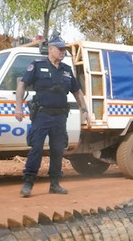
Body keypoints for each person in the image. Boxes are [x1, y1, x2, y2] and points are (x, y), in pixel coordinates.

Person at [14, 35, 92, 197]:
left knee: (57, 150)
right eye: (59, 49)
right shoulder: (37, 65)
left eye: (64, 49)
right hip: (42, 114)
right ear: (50, 49)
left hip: (60, 116)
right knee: (36, 148)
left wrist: (84, 111)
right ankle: (28, 183)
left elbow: (77, 92)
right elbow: (22, 84)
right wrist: (18, 107)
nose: (62, 52)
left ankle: (55, 184)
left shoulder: (66, 70)